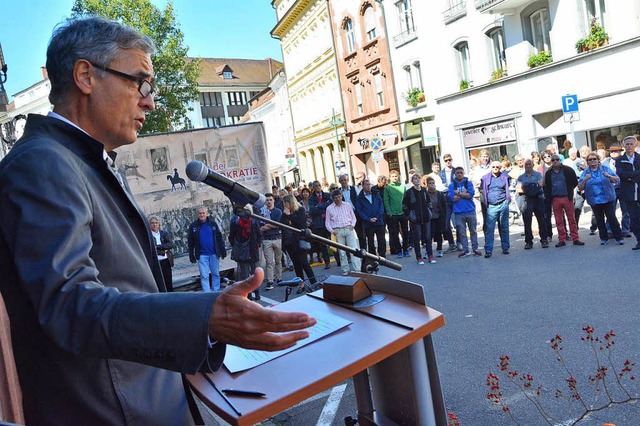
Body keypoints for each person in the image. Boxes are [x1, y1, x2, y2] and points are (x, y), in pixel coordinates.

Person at [0, 16, 315, 425]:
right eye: (140, 82)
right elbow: (71, 306)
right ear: (85, 76)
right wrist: (205, 318)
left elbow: (129, 287)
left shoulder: (79, 159)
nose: (149, 101)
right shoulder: (43, 164)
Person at [578, 153, 624, 246]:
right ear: (587, 162)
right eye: (590, 160)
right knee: (599, 220)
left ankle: (619, 237)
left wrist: (609, 176)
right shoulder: (585, 173)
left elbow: (617, 179)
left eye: (594, 159)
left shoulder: (605, 169)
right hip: (594, 199)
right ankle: (603, 238)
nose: (592, 161)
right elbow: (580, 187)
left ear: (598, 160)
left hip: (608, 198)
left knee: (612, 218)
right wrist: (585, 180)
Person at [544, 155, 585, 247]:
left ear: (560, 160)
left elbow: (574, 182)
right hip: (555, 198)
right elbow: (547, 186)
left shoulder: (568, 170)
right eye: (553, 160)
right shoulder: (548, 173)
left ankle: (575, 238)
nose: (555, 161)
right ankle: (562, 239)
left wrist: (569, 191)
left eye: (557, 159)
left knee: (572, 219)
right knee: (559, 220)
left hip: (567, 197)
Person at [281, 195, 317, 293]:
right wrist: (285, 215)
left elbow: (300, 223)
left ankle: (314, 282)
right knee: (297, 265)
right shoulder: (285, 213)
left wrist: (288, 215)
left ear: (290, 203)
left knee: (304, 263)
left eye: (285, 203)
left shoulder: (300, 210)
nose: (284, 205)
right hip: (290, 243)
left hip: (300, 241)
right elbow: (281, 224)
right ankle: (301, 284)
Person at [188, 206, 227, 292]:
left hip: (214, 254)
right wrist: (191, 254)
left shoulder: (213, 224)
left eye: (203, 213)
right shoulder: (193, 226)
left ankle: (216, 291)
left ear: (206, 213)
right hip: (202, 255)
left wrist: (223, 250)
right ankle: (207, 293)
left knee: (215, 274)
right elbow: (190, 242)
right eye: (200, 213)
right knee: (204, 276)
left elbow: (219, 238)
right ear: (197, 214)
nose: (201, 215)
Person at [325, 190, 361, 275]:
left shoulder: (347, 205)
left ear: (341, 196)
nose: (338, 199)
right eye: (335, 197)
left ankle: (357, 269)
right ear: (333, 199)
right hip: (338, 231)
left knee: (354, 249)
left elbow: (353, 217)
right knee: (342, 252)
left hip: (348, 229)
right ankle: (345, 270)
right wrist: (332, 231)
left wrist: (352, 225)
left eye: (339, 196)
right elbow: (327, 222)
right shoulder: (329, 208)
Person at [229, 210, 263, 300]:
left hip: (253, 250)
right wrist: (237, 246)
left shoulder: (253, 222)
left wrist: (257, 245)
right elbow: (231, 237)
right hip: (242, 252)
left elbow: (259, 235)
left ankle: (257, 292)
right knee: (245, 274)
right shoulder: (235, 223)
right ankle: (248, 294)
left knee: (255, 273)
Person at [480, 161, 511, 257]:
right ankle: (488, 250)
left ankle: (505, 248)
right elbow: (481, 189)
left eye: (497, 166)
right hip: (491, 206)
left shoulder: (504, 177)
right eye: (493, 166)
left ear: (500, 167)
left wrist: (506, 201)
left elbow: (507, 187)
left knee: (504, 227)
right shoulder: (485, 178)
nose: (495, 168)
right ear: (491, 167)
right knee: (490, 229)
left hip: (503, 204)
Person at [517, 159, 549, 249]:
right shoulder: (521, 177)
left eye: (529, 164)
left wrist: (527, 187)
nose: (528, 166)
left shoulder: (538, 175)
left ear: (532, 165)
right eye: (526, 164)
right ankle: (528, 242)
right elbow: (519, 189)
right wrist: (533, 186)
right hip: (527, 200)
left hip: (538, 199)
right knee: (527, 222)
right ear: (524, 166)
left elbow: (541, 185)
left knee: (542, 220)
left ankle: (544, 240)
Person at [449, 167, 481, 258]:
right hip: (458, 212)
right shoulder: (452, 185)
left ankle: (475, 249)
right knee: (462, 233)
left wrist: (458, 193)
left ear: (463, 173)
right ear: (455, 174)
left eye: (461, 173)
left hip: (470, 211)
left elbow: (470, 195)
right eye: (457, 173)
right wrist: (463, 193)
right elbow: (452, 198)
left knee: (473, 231)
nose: (459, 174)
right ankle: (465, 250)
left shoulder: (468, 183)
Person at [615, 136, 640, 250]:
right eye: (627, 144)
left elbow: (628, 175)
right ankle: (639, 240)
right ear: (624, 146)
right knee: (634, 219)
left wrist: (631, 176)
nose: (629, 146)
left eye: (631, 144)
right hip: (629, 193)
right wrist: (635, 175)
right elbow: (621, 174)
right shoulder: (620, 160)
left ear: (635, 145)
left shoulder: (639, 158)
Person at [403, 173, 433, 264]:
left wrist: (429, 212)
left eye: (418, 178)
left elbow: (428, 202)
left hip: (425, 217)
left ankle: (430, 255)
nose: (417, 180)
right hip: (415, 219)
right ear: (412, 181)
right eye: (415, 179)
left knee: (428, 237)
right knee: (417, 238)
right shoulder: (409, 192)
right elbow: (404, 206)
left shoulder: (424, 190)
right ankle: (419, 257)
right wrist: (410, 215)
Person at [356, 178, 387, 258]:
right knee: (370, 241)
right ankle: (373, 257)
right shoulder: (360, 197)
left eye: (369, 184)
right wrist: (368, 219)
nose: (368, 186)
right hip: (368, 223)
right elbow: (360, 211)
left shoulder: (376, 194)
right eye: (366, 185)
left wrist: (377, 217)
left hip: (378, 221)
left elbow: (381, 205)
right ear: (362, 186)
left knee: (381, 240)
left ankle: (382, 256)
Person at [259, 193, 283, 291]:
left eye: (270, 200)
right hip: (266, 240)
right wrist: (271, 225)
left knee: (278, 260)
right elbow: (260, 226)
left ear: (273, 201)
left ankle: (279, 278)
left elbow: (278, 224)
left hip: (277, 238)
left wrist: (267, 226)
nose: (269, 202)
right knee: (269, 262)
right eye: (267, 200)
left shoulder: (278, 212)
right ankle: (270, 280)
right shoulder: (262, 212)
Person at [384, 170, 410, 257]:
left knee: (405, 232)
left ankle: (405, 249)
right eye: (393, 176)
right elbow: (386, 201)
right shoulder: (387, 188)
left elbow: (406, 200)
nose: (394, 178)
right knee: (395, 233)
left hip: (403, 213)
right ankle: (399, 250)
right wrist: (389, 212)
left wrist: (406, 210)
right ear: (390, 178)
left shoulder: (402, 186)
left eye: (396, 176)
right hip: (393, 214)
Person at [309, 180, 333, 269]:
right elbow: (312, 210)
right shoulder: (311, 198)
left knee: (333, 241)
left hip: (329, 221)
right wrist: (324, 206)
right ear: (313, 188)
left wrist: (319, 206)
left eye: (319, 185)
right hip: (319, 223)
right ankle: (327, 262)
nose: (318, 187)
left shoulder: (327, 195)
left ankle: (338, 259)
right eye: (316, 186)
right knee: (323, 244)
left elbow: (330, 205)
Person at [438, 154, 458, 252]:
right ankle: (451, 244)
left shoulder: (456, 171)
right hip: (445, 199)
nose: (448, 162)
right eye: (446, 160)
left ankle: (459, 243)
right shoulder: (440, 173)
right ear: (444, 162)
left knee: (457, 222)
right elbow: (439, 187)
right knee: (446, 223)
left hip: (455, 198)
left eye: (449, 160)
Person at [149, 216, 174, 291]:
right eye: (152, 223)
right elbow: (150, 249)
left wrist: (159, 247)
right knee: (158, 282)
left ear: (159, 224)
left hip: (166, 260)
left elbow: (171, 244)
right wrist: (163, 251)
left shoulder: (163, 233)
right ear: (149, 225)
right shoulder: (148, 235)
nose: (155, 225)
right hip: (155, 262)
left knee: (168, 281)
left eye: (156, 223)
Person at [426, 177, 448, 257]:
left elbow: (443, 205)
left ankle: (439, 249)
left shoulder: (439, 194)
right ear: (427, 185)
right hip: (429, 217)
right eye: (430, 183)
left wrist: (444, 216)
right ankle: (428, 250)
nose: (432, 185)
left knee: (439, 233)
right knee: (429, 234)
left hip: (438, 216)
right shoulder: (425, 194)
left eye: (433, 183)